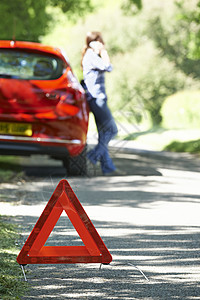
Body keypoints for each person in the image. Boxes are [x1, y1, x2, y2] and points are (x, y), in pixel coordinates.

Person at [81, 31, 118, 175]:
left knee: (103, 133)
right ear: (93, 42)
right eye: (100, 41)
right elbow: (108, 67)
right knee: (112, 130)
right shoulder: (91, 55)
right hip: (97, 98)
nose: (103, 43)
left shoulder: (90, 56)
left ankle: (107, 168)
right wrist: (104, 52)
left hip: (95, 98)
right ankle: (93, 155)